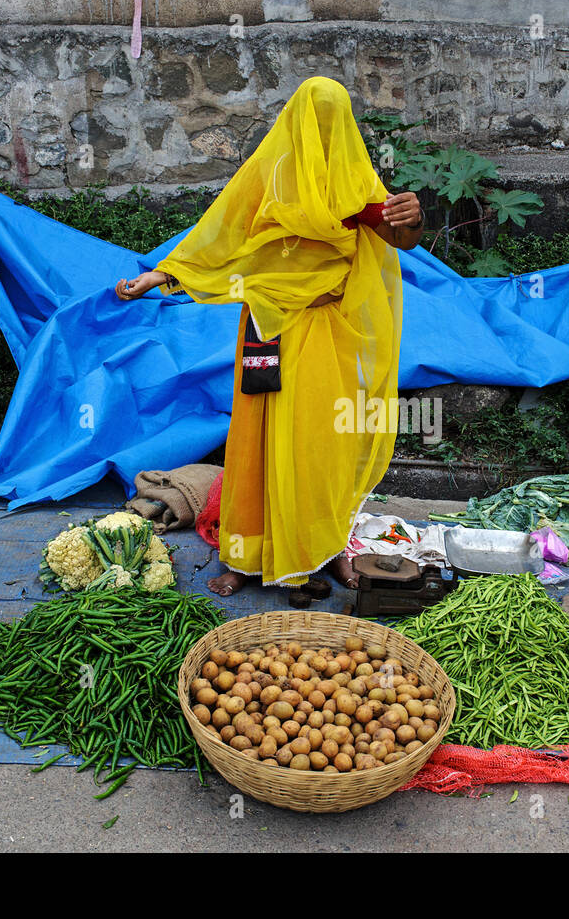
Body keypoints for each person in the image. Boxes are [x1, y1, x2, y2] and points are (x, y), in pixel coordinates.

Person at [115, 76, 423, 598]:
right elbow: (219, 235)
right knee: (255, 442)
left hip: (329, 332)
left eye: (335, 121)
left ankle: (324, 550)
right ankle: (245, 555)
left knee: (324, 443)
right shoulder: (270, 175)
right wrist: (161, 276)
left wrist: (413, 218)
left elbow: (398, 235)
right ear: (296, 122)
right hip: (268, 330)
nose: (324, 133)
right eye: (315, 120)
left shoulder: (356, 179)